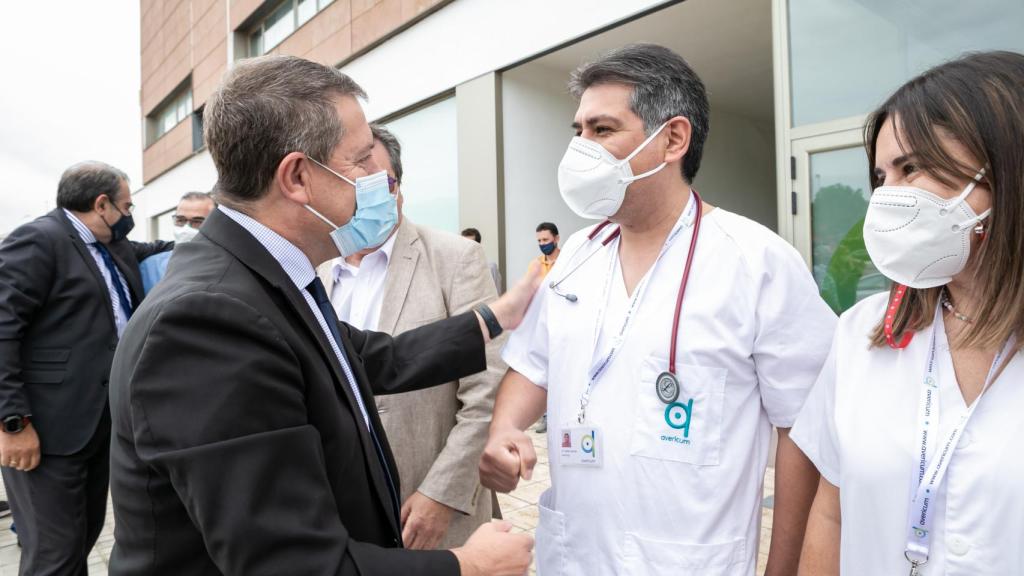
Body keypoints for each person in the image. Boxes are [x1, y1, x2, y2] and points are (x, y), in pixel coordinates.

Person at [107, 54, 535, 576]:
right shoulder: (208, 320)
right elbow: (290, 562)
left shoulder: (272, 276)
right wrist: (466, 565)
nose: (379, 181)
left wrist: (497, 315)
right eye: (360, 161)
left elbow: (374, 358)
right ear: (297, 177)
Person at [478, 43, 837, 575]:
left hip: (690, 560)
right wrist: (505, 429)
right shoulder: (576, 256)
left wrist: (782, 568)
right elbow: (532, 366)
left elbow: (803, 431)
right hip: (575, 554)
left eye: (602, 131)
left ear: (672, 138)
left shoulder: (757, 261)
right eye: (577, 131)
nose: (581, 149)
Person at [793, 51, 1024, 576]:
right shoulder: (864, 332)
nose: (885, 198)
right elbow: (831, 513)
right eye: (880, 176)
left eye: (912, 167)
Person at [316, 124, 503, 549]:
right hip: (339, 517)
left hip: (431, 513)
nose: (365, 195)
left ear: (398, 187)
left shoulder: (455, 259)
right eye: (353, 184)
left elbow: (488, 388)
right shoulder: (317, 271)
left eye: (377, 183)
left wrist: (442, 494)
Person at [0, 161, 172, 575]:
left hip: (98, 427)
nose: (129, 216)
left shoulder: (111, 247)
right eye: (127, 206)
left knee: (83, 538)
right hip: (46, 432)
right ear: (101, 204)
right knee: (54, 556)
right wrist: (12, 423)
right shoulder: (39, 241)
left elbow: (154, 251)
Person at [139, 191, 216, 293]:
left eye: (197, 221)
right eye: (180, 220)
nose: (185, 228)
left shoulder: (227, 266)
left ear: (213, 223)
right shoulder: (150, 268)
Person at [461, 227, 502, 292]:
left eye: (470, 244)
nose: (466, 248)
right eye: (463, 244)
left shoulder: (491, 268)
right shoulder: (458, 270)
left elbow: (497, 295)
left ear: (478, 246)